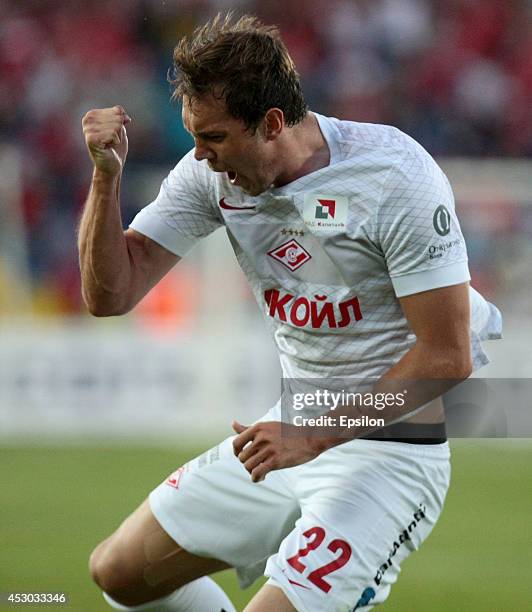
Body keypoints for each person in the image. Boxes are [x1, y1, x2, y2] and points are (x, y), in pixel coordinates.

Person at [79, 13, 502, 612]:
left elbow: (447, 355)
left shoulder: (393, 176)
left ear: (273, 122)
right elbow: (109, 295)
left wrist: (314, 434)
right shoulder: (210, 174)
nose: (199, 155)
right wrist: (105, 180)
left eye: (215, 138)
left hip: (390, 455)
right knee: (118, 571)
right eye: (193, 136)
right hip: (289, 431)